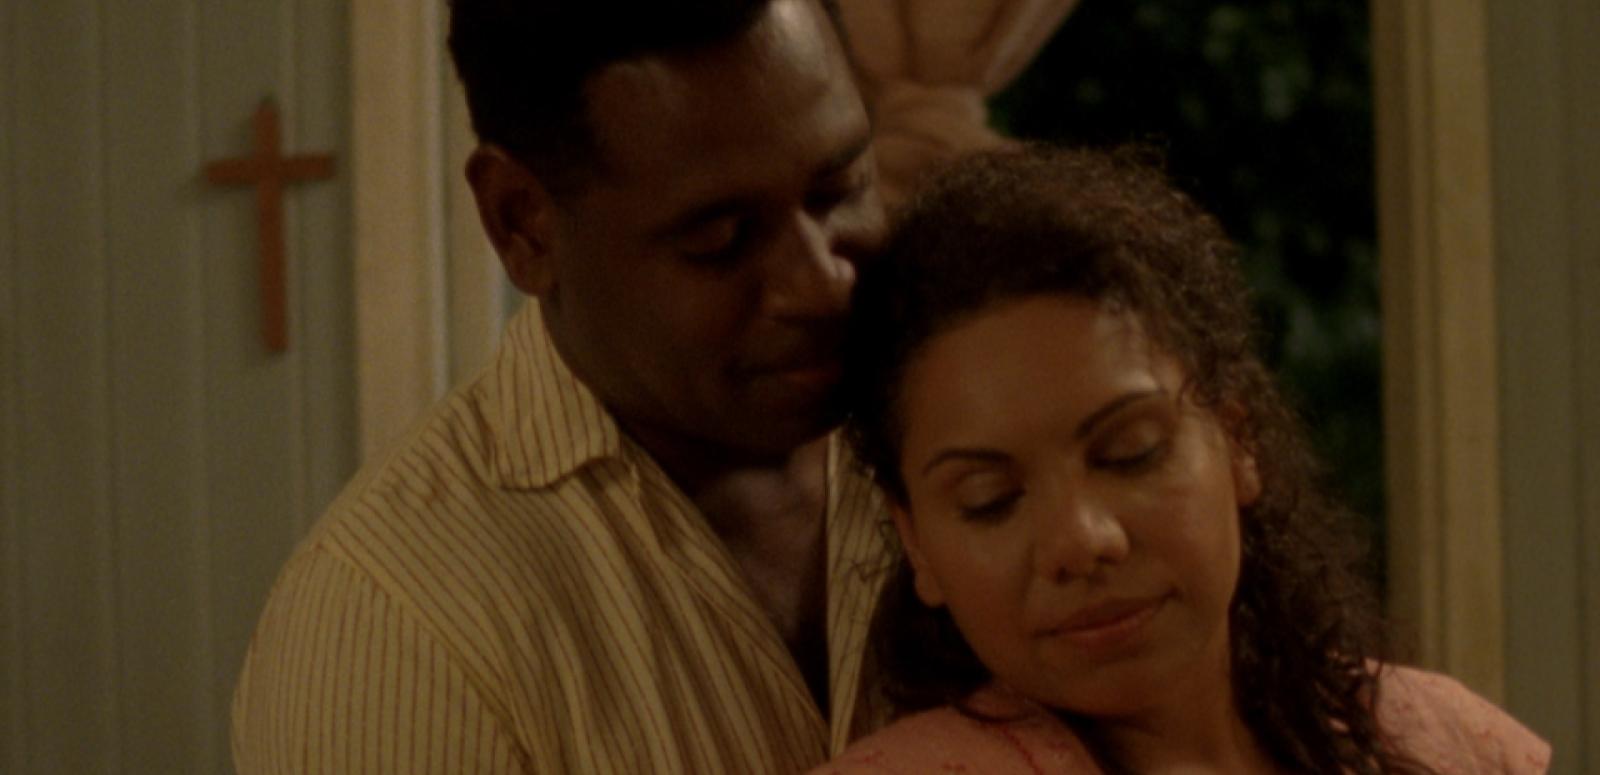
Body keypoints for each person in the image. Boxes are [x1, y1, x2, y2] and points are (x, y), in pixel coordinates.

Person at [231, 1, 896, 772]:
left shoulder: (977, 429)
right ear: (524, 225)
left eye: (840, 186)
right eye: (719, 239)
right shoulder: (395, 629)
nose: (821, 284)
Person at [813, 145, 1551, 774]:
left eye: (1131, 453)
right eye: (989, 497)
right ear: (916, 541)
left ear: (1237, 441)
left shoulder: (1438, 739)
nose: (1082, 540)